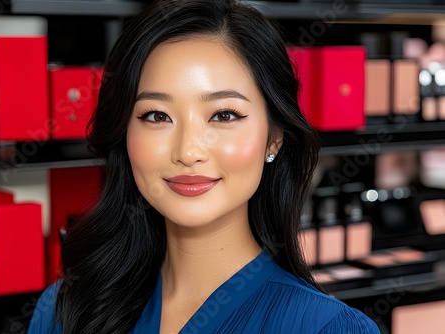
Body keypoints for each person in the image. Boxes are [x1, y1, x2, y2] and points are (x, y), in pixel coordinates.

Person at [28, 0, 380, 333]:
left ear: (274, 137)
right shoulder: (65, 309)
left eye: (224, 115)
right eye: (156, 116)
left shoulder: (327, 327)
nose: (188, 151)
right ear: (124, 134)